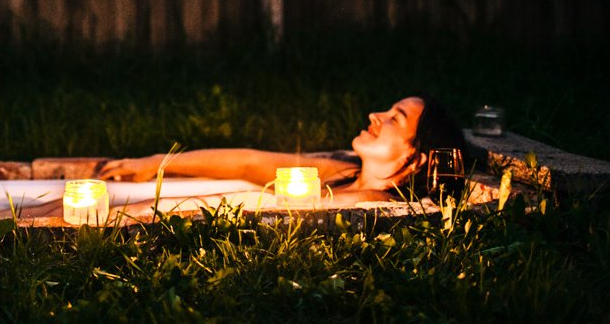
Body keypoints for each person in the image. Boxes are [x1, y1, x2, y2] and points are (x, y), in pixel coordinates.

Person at [97, 94, 468, 206]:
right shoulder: (342, 172)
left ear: (414, 157)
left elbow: (246, 201)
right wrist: (155, 164)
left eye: (394, 118)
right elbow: (247, 162)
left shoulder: (371, 202)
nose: (375, 115)